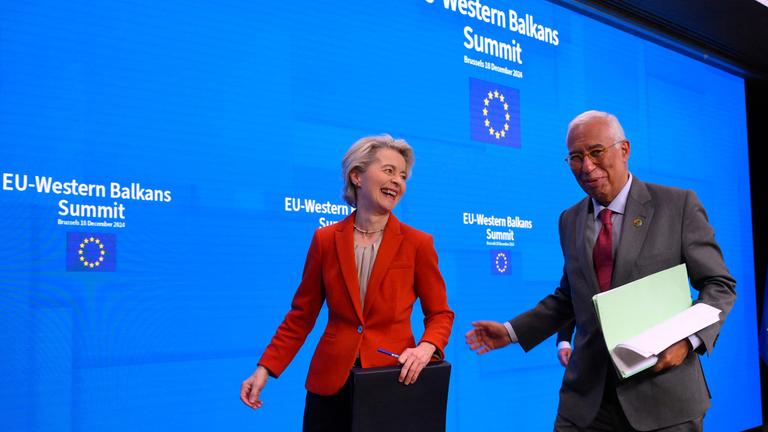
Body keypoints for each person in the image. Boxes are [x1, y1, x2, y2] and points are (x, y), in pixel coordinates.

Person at [465, 110, 736, 431]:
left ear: (624, 150)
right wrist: (511, 332)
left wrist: (688, 341)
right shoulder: (570, 219)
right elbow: (570, 298)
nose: (587, 166)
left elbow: (719, 285)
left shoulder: (677, 206)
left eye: (596, 152)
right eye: (576, 157)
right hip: (586, 402)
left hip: (664, 397)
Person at [240, 134, 454, 431]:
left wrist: (426, 347)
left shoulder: (418, 243)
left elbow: (440, 314)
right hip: (330, 387)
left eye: (403, 176)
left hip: (391, 382)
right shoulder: (325, 240)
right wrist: (265, 369)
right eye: (388, 170)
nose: (397, 181)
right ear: (357, 176)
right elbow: (301, 316)